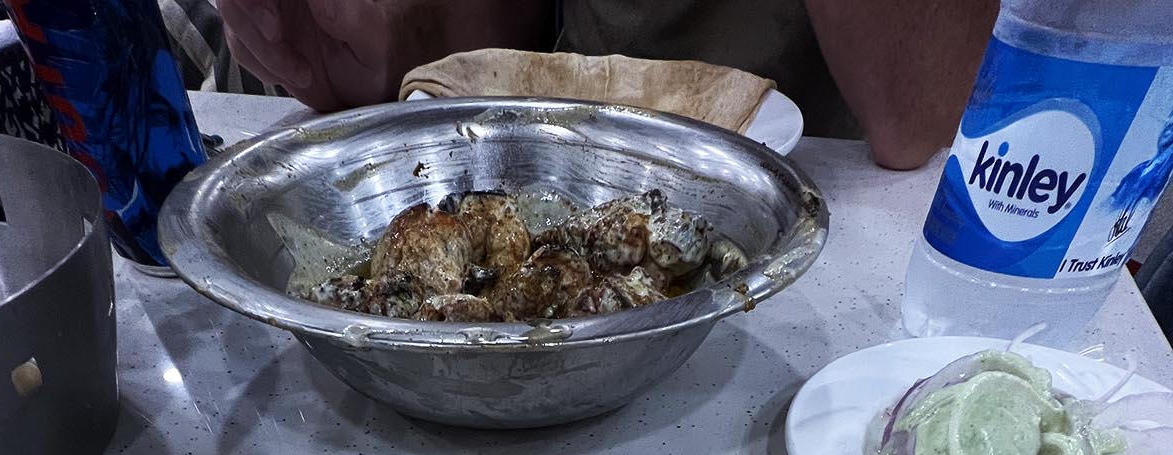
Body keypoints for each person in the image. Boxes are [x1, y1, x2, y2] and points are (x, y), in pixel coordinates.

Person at [214, 0, 996, 168]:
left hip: (832, 198)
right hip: (542, 173)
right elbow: (501, 37)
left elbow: (915, 119)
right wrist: (393, 55)